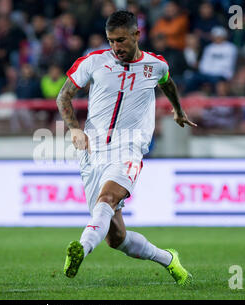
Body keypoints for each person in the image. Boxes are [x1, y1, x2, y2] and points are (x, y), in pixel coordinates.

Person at [56, 10, 196, 286]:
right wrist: (74, 129)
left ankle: (81, 249)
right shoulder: (94, 62)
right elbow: (64, 96)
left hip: (129, 149)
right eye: (111, 41)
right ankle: (169, 259)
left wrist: (178, 110)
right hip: (93, 154)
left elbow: (167, 83)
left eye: (121, 40)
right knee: (115, 238)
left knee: (106, 199)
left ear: (136, 35)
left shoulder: (155, 65)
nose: (116, 47)